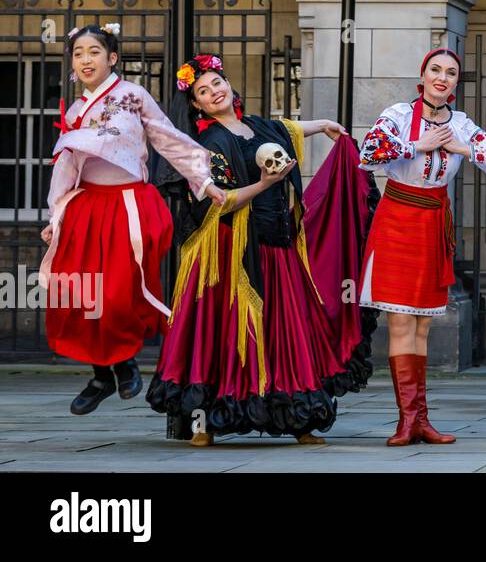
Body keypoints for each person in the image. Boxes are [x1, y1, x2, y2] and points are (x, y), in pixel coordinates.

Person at [147, 53, 371, 445]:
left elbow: (283, 129)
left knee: (286, 330)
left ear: (230, 87)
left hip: (278, 242)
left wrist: (325, 126)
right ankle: (207, 423)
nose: (214, 91)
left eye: (217, 83)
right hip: (231, 250)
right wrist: (266, 184)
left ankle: (299, 419)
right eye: (203, 91)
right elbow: (221, 201)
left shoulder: (255, 125)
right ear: (196, 104)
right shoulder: (207, 143)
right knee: (225, 331)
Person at [41, 23, 224, 416]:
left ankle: (124, 361)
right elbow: (66, 167)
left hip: (128, 205)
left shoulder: (133, 96)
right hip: (87, 206)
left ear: (113, 58)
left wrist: (204, 180)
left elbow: (167, 138)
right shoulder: (75, 110)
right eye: (78, 54)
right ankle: (101, 373)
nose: (86, 59)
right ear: (73, 65)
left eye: (94, 51)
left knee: (118, 290)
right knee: (82, 292)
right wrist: (56, 215)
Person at [359, 48, 486, 445]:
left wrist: (463, 149)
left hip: (434, 222)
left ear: (455, 82)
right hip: (397, 218)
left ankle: (421, 420)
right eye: (436, 70)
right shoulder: (398, 115)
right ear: (423, 74)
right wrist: (420, 144)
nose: (442, 78)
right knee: (400, 320)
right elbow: (368, 153)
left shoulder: (462, 125)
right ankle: (406, 420)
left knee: (424, 324)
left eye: (450, 73)